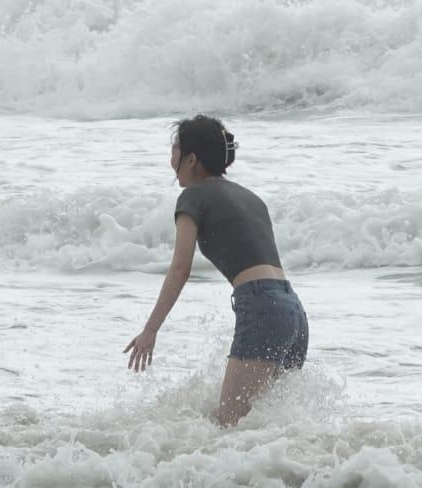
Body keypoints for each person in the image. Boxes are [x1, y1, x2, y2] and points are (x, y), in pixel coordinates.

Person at [124, 115, 309, 426]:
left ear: (192, 159)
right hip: (293, 311)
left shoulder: (193, 197)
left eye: (174, 149)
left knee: (230, 426)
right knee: (269, 427)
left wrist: (151, 329)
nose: (171, 158)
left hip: (262, 306)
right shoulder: (251, 198)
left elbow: (180, 267)